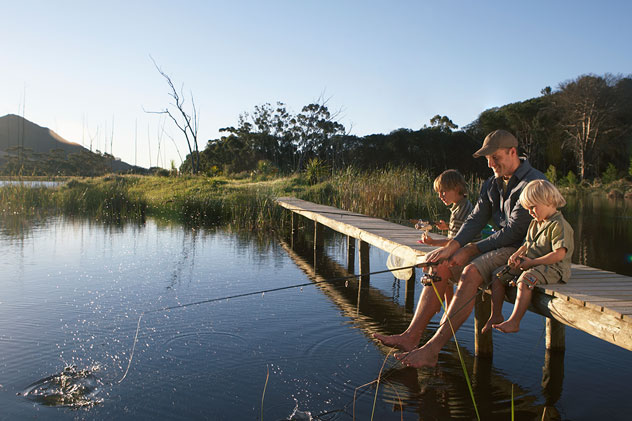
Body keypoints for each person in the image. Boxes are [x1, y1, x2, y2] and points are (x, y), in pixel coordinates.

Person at [375, 129, 546, 368]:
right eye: (487, 158)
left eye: (494, 157)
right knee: (440, 265)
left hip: (525, 250)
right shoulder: (491, 184)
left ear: (513, 152)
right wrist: (452, 247)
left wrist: (469, 250)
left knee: (471, 272)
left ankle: (432, 350)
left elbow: (514, 233)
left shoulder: (533, 183)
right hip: (499, 246)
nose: (490, 163)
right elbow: (475, 219)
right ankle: (410, 337)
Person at [482, 179, 573, 333]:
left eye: (533, 208)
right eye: (527, 209)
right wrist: (517, 255)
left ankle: (514, 322)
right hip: (532, 263)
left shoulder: (559, 225)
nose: (530, 212)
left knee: (525, 280)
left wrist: (532, 263)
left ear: (548, 201)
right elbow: (527, 244)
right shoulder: (535, 223)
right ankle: (496, 315)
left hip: (553, 268)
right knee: (497, 275)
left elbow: (559, 254)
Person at [417, 169, 479, 307]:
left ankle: (440, 302)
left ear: (456, 188)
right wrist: (447, 227)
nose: (440, 196)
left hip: (465, 254)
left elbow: (454, 242)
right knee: (436, 263)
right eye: (438, 192)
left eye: (443, 191)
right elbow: (460, 230)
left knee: (431, 263)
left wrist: (433, 242)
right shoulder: (464, 205)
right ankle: (444, 301)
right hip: (469, 249)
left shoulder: (458, 213)